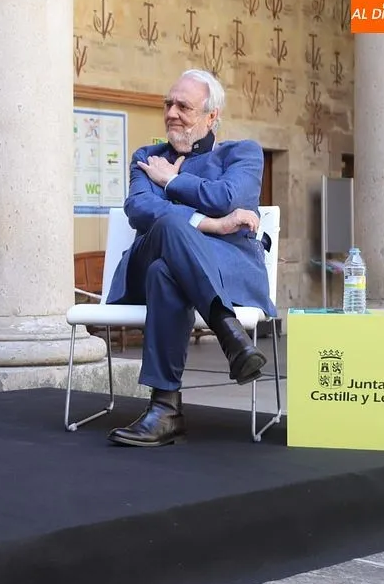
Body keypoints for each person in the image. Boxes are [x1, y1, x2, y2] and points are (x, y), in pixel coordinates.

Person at [104, 69, 275, 448]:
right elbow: (139, 208)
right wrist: (211, 225)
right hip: (144, 264)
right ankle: (229, 333)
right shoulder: (147, 156)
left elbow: (229, 196)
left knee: (168, 272)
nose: (172, 113)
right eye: (168, 104)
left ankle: (165, 410)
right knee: (166, 227)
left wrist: (171, 182)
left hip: (225, 270)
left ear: (212, 116)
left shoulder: (242, 153)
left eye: (184, 106)